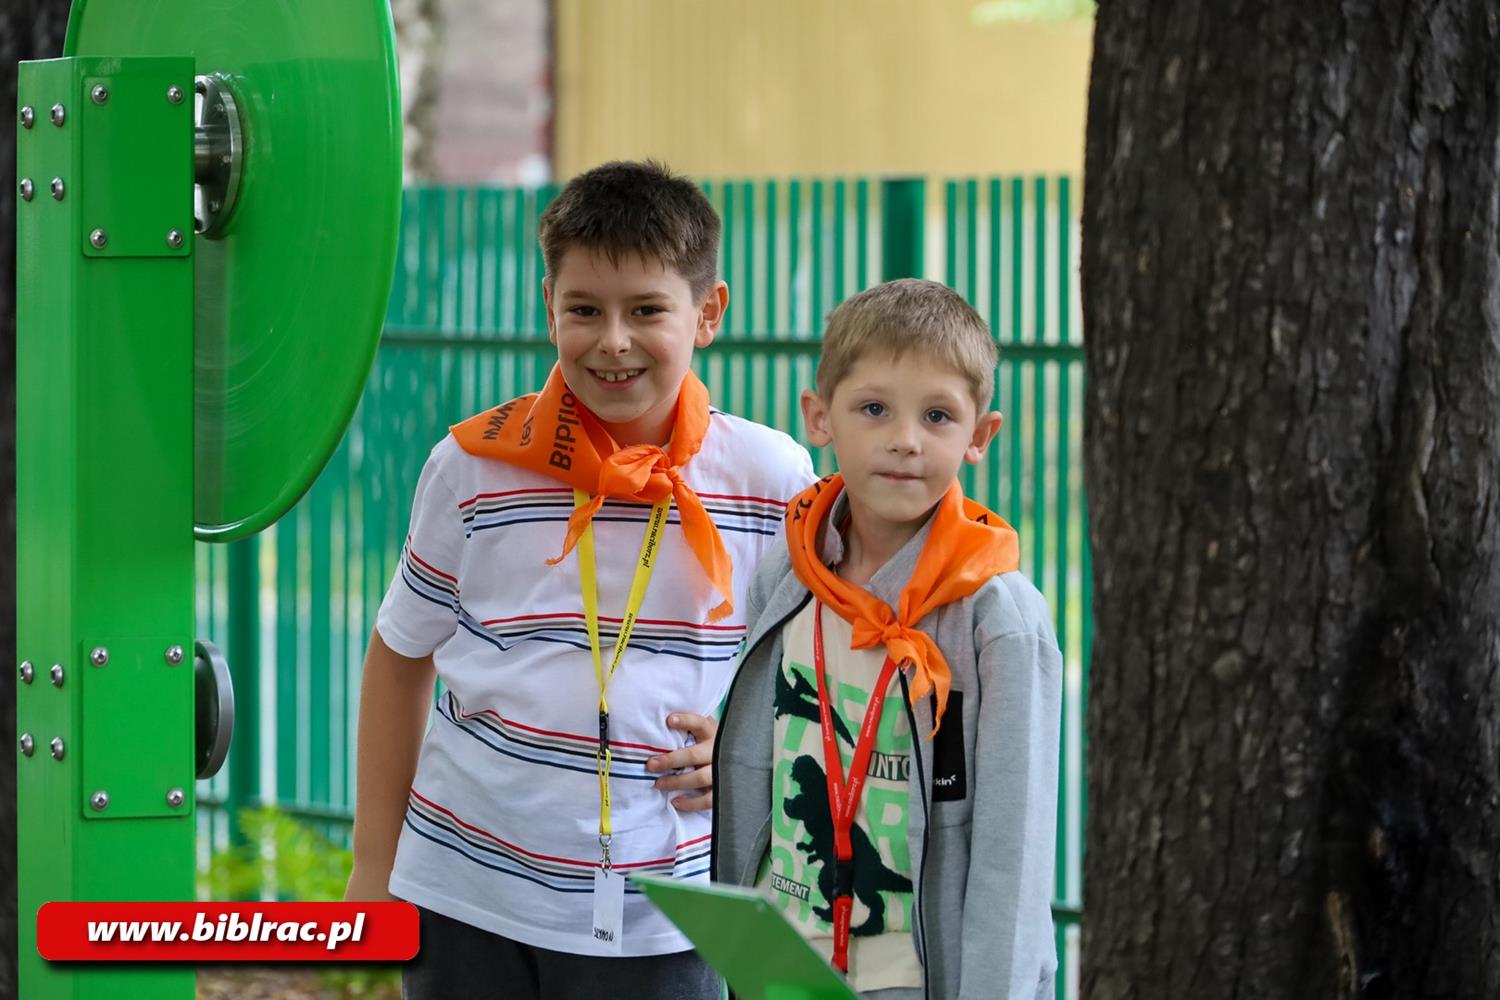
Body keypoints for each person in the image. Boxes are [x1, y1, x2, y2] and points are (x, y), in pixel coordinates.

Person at [345, 160, 815, 1000]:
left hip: (668, 909)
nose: (613, 341)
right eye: (585, 309)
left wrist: (760, 756)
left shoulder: (769, 478)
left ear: (708, 313)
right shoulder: (473, 466)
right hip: (462, 890)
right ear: (548, 306)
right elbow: (400, 652)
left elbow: (823, 672)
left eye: (647, 310)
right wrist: (373, 866)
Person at [711, 278, 1062, 999]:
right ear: (820, 417)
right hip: (782, 968)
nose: (905, 439)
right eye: (874, 409)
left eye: (938, 415)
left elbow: (1013, 857)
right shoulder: (789, 574)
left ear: (979, 436)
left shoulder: (997, 621)